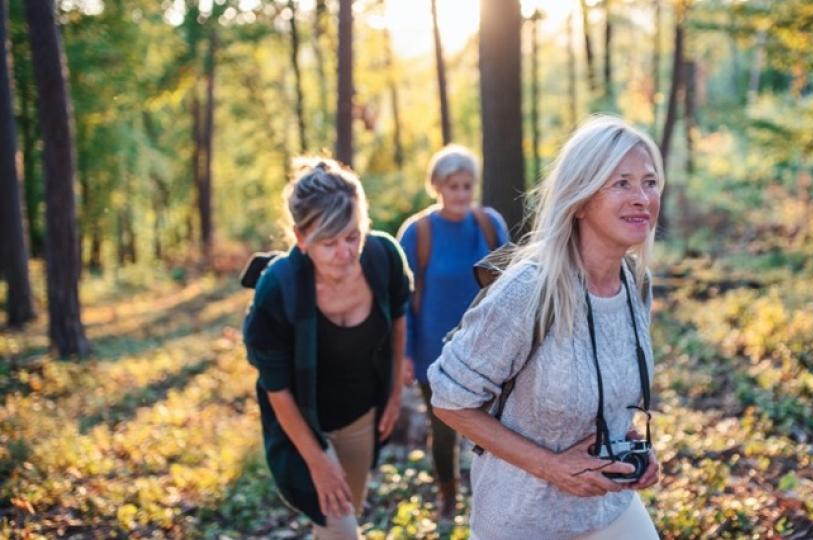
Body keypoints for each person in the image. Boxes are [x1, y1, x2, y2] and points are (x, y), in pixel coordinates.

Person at [426, 116, 664, 539]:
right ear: (582, 198)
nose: (642, 197)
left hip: (607, 503)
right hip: (524, 519)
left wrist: (631, 444)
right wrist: (553, 467)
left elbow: (607, 388)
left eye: (649, 182)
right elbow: (448, 399)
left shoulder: (635, 283)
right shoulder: (529, 290)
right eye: (621, 183)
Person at [242, 159, 412, 540]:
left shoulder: (384, 257)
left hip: (360, 415)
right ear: (301, 240)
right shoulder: (277, 289)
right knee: (343, 530)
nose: (345, 252)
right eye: (329, 242)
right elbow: (276, 387)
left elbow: (399, 316)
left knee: (342, 514)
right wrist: (317, 460)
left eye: (353, 236)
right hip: (302, 423)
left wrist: (395, 393)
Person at [397, 144, 509, 518]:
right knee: (444, 430)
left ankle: (492, 500)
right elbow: (402, 300)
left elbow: (512, 285)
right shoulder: (417, 233)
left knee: (494, 431)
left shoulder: (490, 225)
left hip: (488, 346)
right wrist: (405, 354)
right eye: (453, 186)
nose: (461, 194)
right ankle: (448, 496)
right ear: (438, 187)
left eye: (466, 185)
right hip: (435, 350)